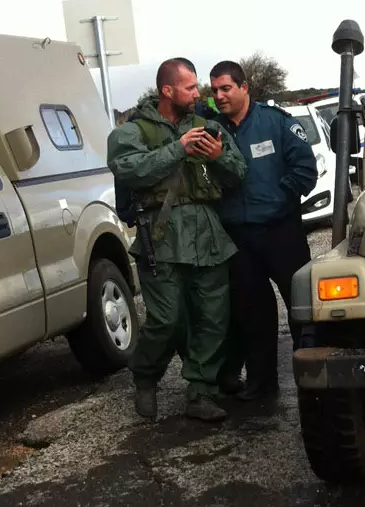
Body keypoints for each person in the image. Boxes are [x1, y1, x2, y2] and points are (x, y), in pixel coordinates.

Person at [107, 57, 247, 422]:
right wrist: (179, 148)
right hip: (162, 234)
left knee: (212, 318)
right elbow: (130, 169)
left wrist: (217, 158)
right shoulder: (131, 132)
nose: (199, 93)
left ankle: (201, 391)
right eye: (190, 87)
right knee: (166, 319)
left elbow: (238, 172)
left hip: (208, 233)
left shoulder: (209, 127)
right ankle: (146, 375)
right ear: (167, 91)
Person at [209, 60, 318, 402]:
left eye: (226, 88)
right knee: (252, 316)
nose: (219, 96)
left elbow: (305, 171)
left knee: (302, 310)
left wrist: (276, 201)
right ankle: (261, 384)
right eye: (214, 91)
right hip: (240, 238)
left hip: (281, 232)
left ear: (244, 88)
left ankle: (313, 379)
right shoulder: (213, 130)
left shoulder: (277, 123)